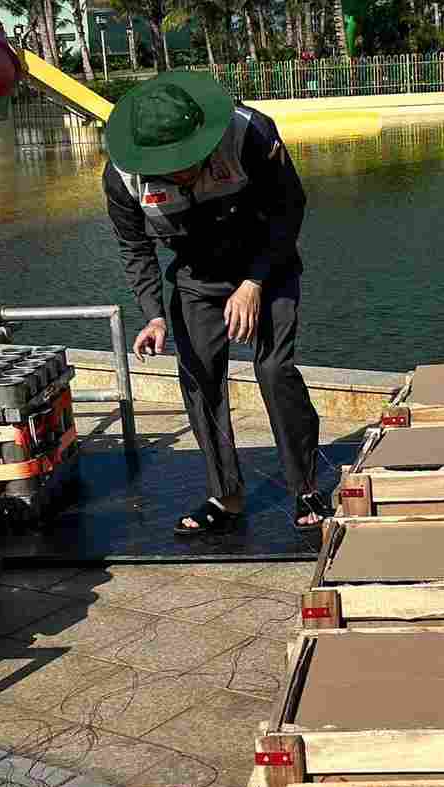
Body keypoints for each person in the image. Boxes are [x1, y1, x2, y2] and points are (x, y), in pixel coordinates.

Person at [102, 71, 327, 535]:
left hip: (268, 261)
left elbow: (290, 209)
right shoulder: (121, 179)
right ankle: (226, 496)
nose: (184, 172)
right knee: (200, 376)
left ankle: (304, 486)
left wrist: (254, 282)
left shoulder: (251, 133)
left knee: (273, 370)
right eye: (171, 165)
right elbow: (134, 248)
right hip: (197, 275)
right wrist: (154, 315)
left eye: (189, 158)